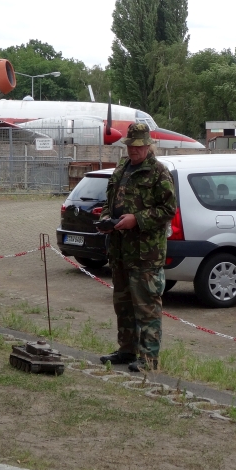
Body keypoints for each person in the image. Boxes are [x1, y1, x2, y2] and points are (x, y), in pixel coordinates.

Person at [98, 123, 176, 372]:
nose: (133, 150)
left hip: (145, 253)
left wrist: (137, 219)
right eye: (130, 145)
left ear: (148, 145)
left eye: (138, 146)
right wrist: (107, 219)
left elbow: (168, 210)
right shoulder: (122, 167)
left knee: (146, 306)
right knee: (123, 304)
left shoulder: (158, 172)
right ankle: (126, 350)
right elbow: (111, 199)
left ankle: (149, 358)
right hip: (120, 250)